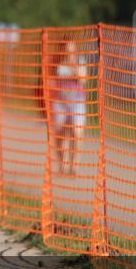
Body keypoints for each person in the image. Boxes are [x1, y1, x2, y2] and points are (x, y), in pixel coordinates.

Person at [49, 40, 88, 176]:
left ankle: (74, 166)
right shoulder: (57, 62)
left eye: (71, 49)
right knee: (60, 134)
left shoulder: (80, 60)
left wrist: (73, 68)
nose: (69, 52)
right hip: (60, 102)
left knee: (76, 134)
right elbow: (51, 79)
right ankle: (63, 164)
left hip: (77, 101)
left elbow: (82, 79)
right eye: (66, 49)